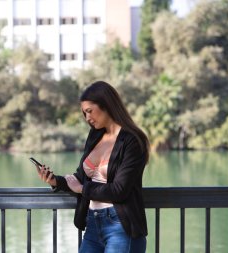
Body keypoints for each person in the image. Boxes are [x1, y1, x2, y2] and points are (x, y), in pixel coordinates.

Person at [37, 81, 150, 253]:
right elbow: (81, 177)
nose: (87, 118)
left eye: (89, 111)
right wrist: (55, 181)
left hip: (121, 226)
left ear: (107, 105)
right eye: (84, 113)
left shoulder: (133, 140)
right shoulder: (95, 135)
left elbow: (120, 190)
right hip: (92, 224)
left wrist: (83, 189)